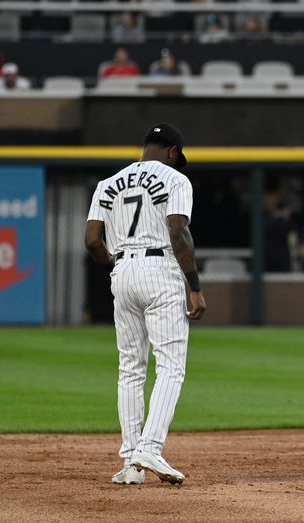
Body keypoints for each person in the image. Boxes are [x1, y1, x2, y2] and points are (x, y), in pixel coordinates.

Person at [85, 123, 206, 486]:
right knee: (170, 366)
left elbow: (92, 241)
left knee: (130, 368)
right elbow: (177, 230)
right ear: (171, 151)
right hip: (160, 268)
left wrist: (116, 265)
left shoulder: (107, 184)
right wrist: (194, 285)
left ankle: (130, 463)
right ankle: (150, 447)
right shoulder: (174, 179)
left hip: (121, 271)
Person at [264, 202, 296, 272]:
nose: (289, 214)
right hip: (282, 260)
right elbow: (293, 243)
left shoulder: (265, 224)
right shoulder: (288, 225)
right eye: (288, 211)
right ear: (283, 211)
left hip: (267, 261)